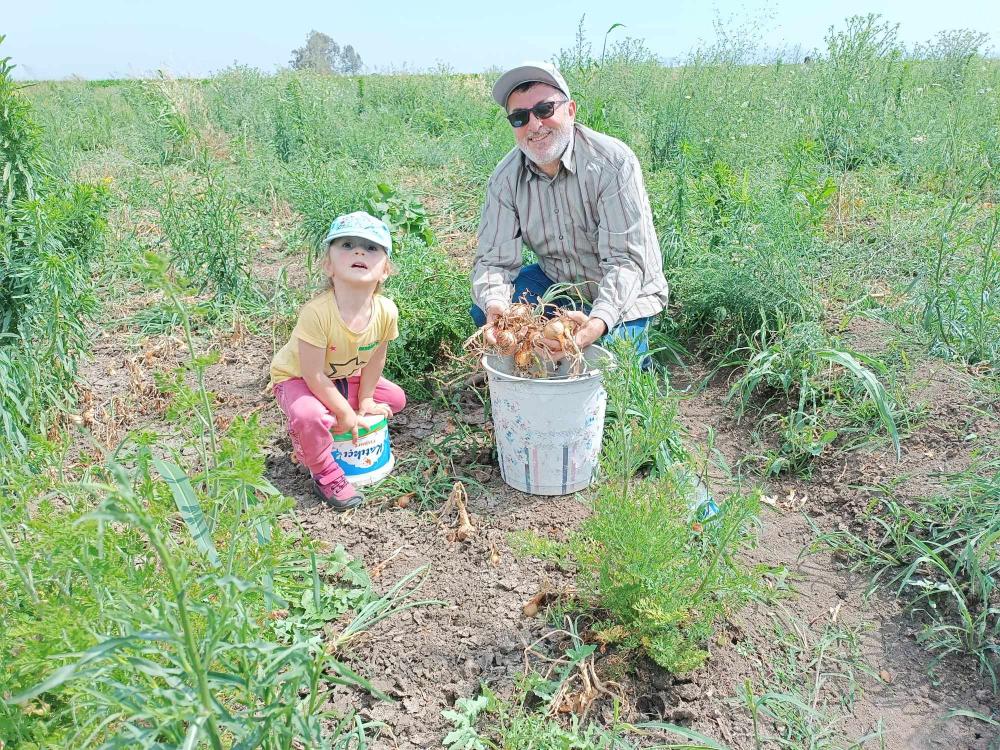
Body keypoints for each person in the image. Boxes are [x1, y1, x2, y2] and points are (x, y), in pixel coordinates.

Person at [471, 61, 669, 359]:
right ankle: (541, 351)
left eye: (545, 110)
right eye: (520, 117)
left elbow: (626, 261)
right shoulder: (505, 178)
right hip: (557, 280)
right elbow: (493, 262)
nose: (534, 125)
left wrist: (598, 321)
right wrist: (497, 307)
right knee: (486, 310)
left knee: (606, 356)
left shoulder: (612, 163)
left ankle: (627, 356)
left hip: (624, 290)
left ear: (571, 110)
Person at [270, 211, 405, 511]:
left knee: (394, 398)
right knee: (309, 415)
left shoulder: (386, 311)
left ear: (385, 270)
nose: (359, 251)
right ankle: (324, 471)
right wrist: (344, 410)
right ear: (328, 265)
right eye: (346, 244)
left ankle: (327, 424)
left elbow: (375, 359)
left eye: (371, 248)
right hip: (299, 378)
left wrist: (366, 398)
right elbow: (313, 374)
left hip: (342, 377)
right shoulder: (317, 313)